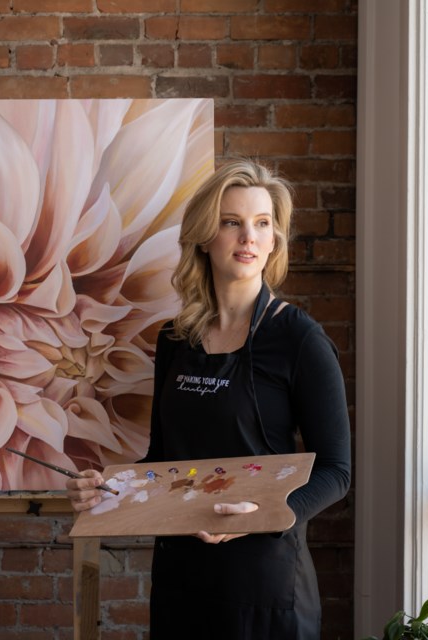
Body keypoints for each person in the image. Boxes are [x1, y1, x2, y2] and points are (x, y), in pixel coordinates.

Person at [65, 158, 351, 639]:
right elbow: (164, 459)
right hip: (183, 577)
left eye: (263, 224)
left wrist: (264, 516)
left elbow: (337, 472)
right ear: (204, 235)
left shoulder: (300, 340)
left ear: (275, 239)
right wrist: (104, 492)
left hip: (263, 581)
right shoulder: (176, 340)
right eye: (232, 222)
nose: (249, 238)